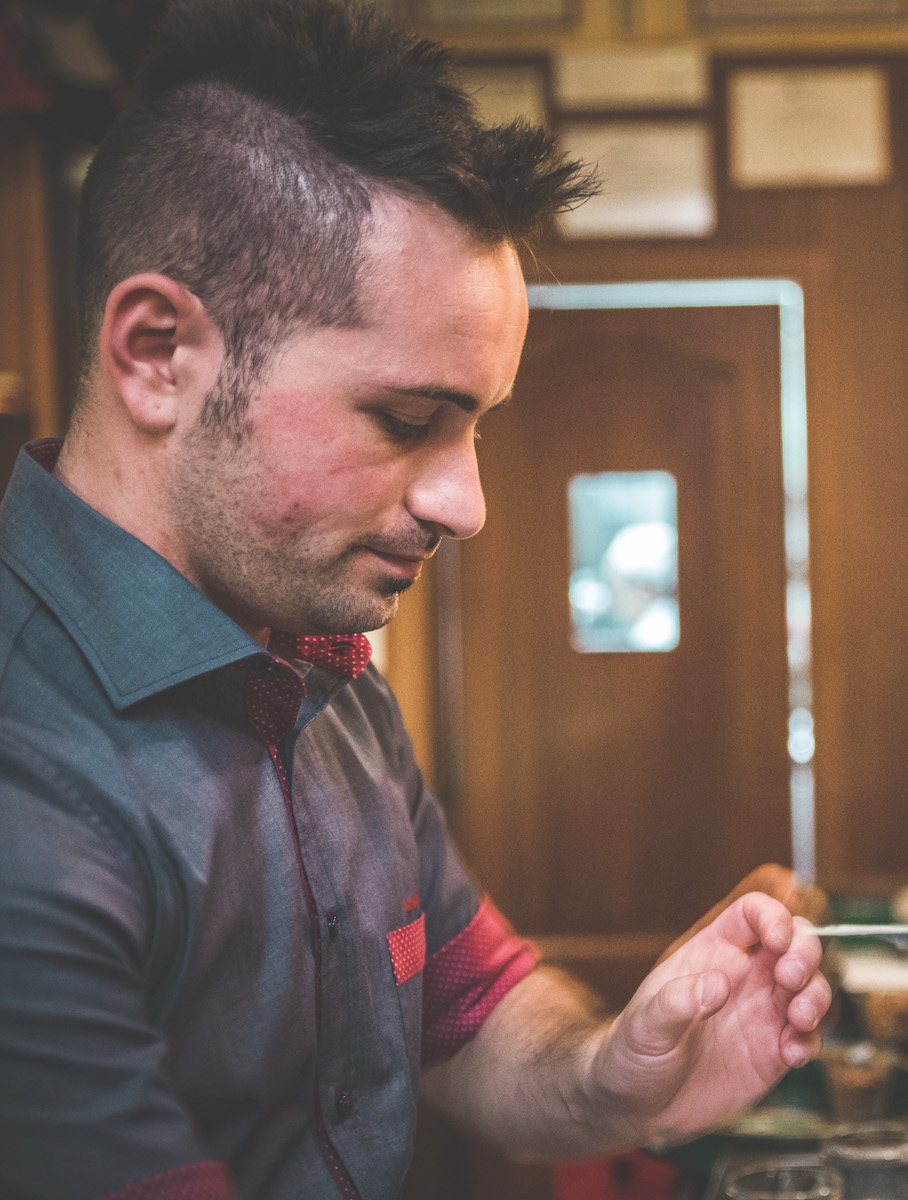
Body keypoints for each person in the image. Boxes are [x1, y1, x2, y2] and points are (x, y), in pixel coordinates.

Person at [0, 1, 832, 1196]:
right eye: (406, 420)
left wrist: (612, 1072)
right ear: (156, 355)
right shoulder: (31, 781)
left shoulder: (325, 672)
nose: (466, 504)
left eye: (477, 427)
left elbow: (466, 1005)